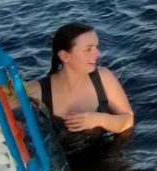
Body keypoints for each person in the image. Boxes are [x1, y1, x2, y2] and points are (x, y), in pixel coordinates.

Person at [27, 23, 134, 160]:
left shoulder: (103, 78)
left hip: (106, 157)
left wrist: (97, 119)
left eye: (96, 47)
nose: (97, 53)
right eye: (88, 49)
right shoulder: (37, 90)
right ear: (65, 56)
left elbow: (128, 119)